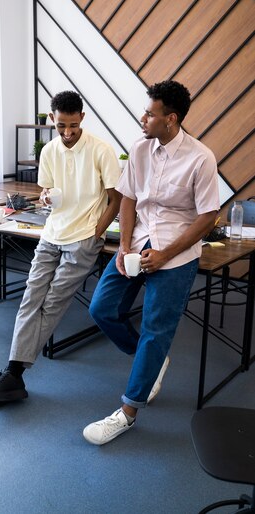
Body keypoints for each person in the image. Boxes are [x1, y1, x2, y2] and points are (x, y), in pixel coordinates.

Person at [83, 80, 219, 446]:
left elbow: (208, 217)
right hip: (137, 243)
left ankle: (128, 412)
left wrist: (164, 255)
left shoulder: (200, 157)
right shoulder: (140, 149)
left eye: (150, 113)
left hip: (175, 253)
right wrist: (124, 247)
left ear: (171, 119)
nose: (142, 118)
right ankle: (152, 361)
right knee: (102, 309)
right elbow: (128, 199)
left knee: (156, 330)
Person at [0, 90, 121, 407]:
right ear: (52, 120)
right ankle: (14, 376)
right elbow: (47, 190)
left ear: (82, 118)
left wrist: (96, 232)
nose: (67, 133)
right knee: (31, 297)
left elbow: (116, 199)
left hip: (83, 238)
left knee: (53, 302)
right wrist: (45, 198)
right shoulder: (49, 151)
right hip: (52, 233)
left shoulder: (102, 151)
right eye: (61, 126)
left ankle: (13, 372)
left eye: (73, 125)